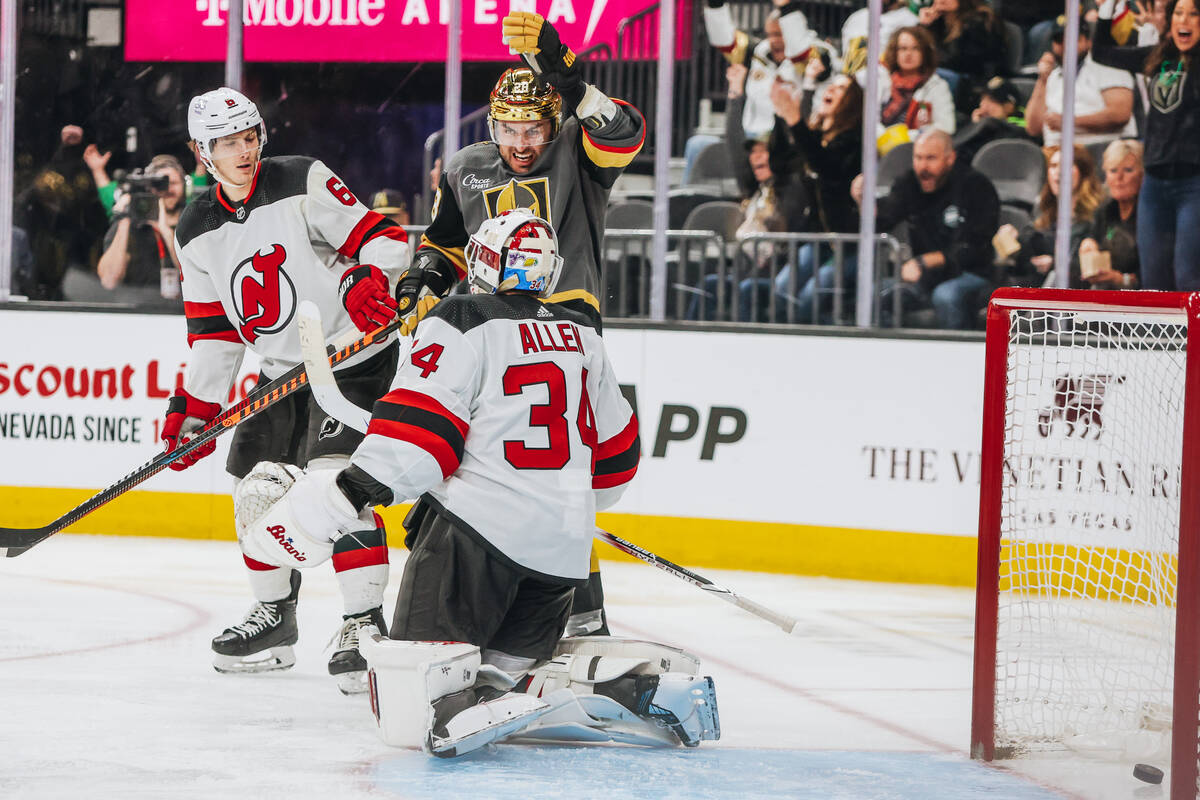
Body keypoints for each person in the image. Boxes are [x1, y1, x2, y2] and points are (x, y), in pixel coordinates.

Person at [236, 209, 719, 757]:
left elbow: (419, 441)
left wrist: (335, 500)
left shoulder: (461, 316)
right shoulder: (585, 334)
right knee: (498, 680)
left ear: (483, 261)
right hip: (561, 562)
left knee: (414, 707)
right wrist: (556, 500)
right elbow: (615, 465)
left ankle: (463, 707)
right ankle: (617, 690)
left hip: (474, 550)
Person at [409, 12, 647, 637]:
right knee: (482, 467)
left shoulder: (578, 153)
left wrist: (567, 77)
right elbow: (445, 244)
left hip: (563, 323)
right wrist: (421, 281)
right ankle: (474, 600)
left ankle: (581, 612)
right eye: (510, 128)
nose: (521, 142)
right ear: (493, 125)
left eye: (534, 128)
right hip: (487, 330)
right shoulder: (464, 166)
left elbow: (623, 132)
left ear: (553, 125)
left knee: (553, 472)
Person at [167, 87, 411, 693]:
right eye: (227, 143)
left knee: (339, 485)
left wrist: (364, 276)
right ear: (203, 153)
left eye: (249, 136)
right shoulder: (195, 227)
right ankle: (275, 617)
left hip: (353, 357)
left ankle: (363, 624)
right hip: (280, 373)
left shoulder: (302, 179)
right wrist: (196, 409)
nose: (243, 150)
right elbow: (215, 331)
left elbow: (386, 239)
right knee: (254, 493)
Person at [742, 63, 863, 324]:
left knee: (809, 296)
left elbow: (826, 167)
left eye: (842, 88)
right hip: (816, 238)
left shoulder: (854, 142)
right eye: (832, 85)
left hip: (846, 244)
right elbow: (782, 163)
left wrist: (795, 120)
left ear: (852, 102)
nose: (832, 88)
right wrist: (781, 115)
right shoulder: (817, 136)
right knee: (783, 290)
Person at [1092, 0, 1200, 290]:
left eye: (1193, 14)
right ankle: (1162, 338)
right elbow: (1101, 53)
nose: (1185, 21)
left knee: (1188, 276)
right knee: (1154, 281)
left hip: (1193, 184)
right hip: (1154, 183)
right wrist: (1108, 11)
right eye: (1179, 13)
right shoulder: (1158, 56)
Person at [852, 129, 1000, 329]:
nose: (923, 166)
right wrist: (864, 201)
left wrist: (924, 262)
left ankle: (954, 357)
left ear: (950, 159)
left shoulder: (975, 186)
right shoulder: (909, 183)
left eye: (931, 158)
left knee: (946, 296)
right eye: (918, 158)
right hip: (925, 279)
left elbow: (974, 246)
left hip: (972, 274)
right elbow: (882, 220)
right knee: (875, 294)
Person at [995, 145, 1104, 288]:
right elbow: (1026, 255)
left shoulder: (1097, 213)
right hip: (1039, 288)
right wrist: (1013, 239)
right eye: (1053, 166)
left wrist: (1054, 264)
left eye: (1066, 166)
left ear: (1083, 173)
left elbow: (1096, 265)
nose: (1058, 172)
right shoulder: (1044, 210)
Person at [1026, 16, 1138, 147]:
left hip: (1102, 151)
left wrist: (1069, 122)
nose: (1065, 46)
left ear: (1088, 42)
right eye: (1059, 41)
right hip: (1056, 154)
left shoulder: (1108, 67)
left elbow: (1120, 115)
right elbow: (1033, 128)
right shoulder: (1051, 76)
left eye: (1072, 39)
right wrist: (1042, 80)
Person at [96, 154, 187, 298]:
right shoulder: (130, 226)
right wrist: (124, 219)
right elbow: (109, 280)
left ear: (184, 186)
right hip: (137, 310)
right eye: (160, 183)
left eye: (173, 183)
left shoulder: (192, 221)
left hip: (181, 312)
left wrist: (164, 230)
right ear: (149, 187)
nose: (167, 189)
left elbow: (195, 274)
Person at [1078, 138, 1144, 287]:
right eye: (1113, 171)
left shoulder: (1149, 215)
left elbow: (1156, 272)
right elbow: (1092, 239)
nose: (1119, 178)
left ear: (1142, 174)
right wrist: (1088, 244)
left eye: (1128, 170)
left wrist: (1120, 280)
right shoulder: (1105, 210)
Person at [916, 0, 1006, 108]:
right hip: (949, 75)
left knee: (928, 73)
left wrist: (929, 58)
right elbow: (917, 51)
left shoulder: (979, 21)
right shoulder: (938, 21)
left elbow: (964, 62)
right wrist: (924, 26)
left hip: (973, 81)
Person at [878, 26, 957, 143]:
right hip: (878, 146)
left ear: (924, 53)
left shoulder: (937, 86)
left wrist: (905, 137)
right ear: (895, 52)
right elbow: (868, 120)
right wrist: (884, 137)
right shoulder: (881, 80)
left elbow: (946, 126)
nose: (908, 54)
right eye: (903, 48)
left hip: (916, 149)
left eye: (915, 49)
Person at [952, 76, 1034, 162]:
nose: (983, 105)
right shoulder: (980, 121)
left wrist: (982, 126)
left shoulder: (1024, 125)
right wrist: (975, 125)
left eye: (991, 100)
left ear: (1009, 107)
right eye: (983, 99)